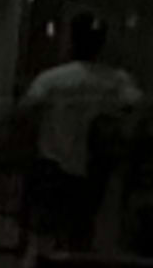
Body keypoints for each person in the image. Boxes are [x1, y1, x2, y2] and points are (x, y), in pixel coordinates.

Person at [20, 14, 142, 249]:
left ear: (72, 40)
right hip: (93, 170)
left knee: (47, 234)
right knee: (82, 232)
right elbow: (136, 107)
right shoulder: (117, 81)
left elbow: (26, 110)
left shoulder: (53, 79)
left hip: (54, 166)